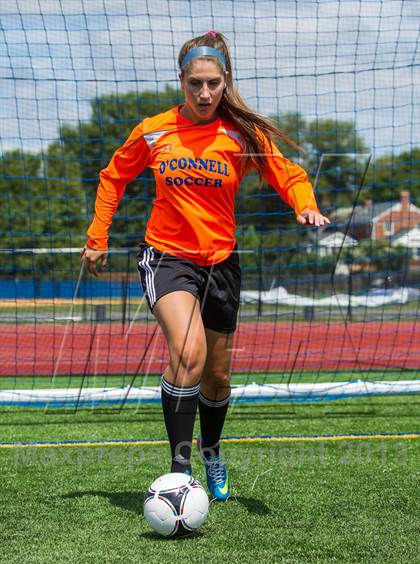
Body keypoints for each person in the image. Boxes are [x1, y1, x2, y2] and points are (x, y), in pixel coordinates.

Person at [82, 31, 330, 501]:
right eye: (195, 83)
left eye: (213, 83)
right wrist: (98, 237)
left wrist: (304, 204)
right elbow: (113, 176)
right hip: (167, 257)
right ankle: (179, 469)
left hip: (221, 261)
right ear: (180, 81)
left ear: (225, 81)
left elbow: (288, 173)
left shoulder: (240, 134)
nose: (204, 94)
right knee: (188, 351)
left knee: (217, 375)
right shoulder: (154, 131)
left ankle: (211, 450)